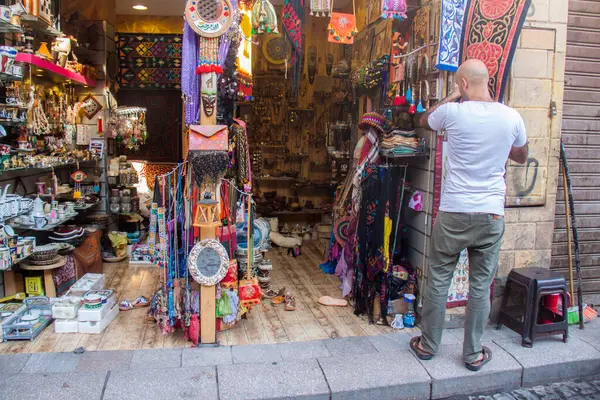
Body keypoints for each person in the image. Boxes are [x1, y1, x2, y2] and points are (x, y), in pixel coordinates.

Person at [410, 59, 528, 371]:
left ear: (462, 83)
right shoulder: (511, 117)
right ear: (487, 81)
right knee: (480, 286)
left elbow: (425, 119)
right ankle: (473, 353)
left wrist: (449, 97)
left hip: (454, 212)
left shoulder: (452, 112)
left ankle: (428, 346)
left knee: (438, 279)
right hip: (490, 214)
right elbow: (521, 154)